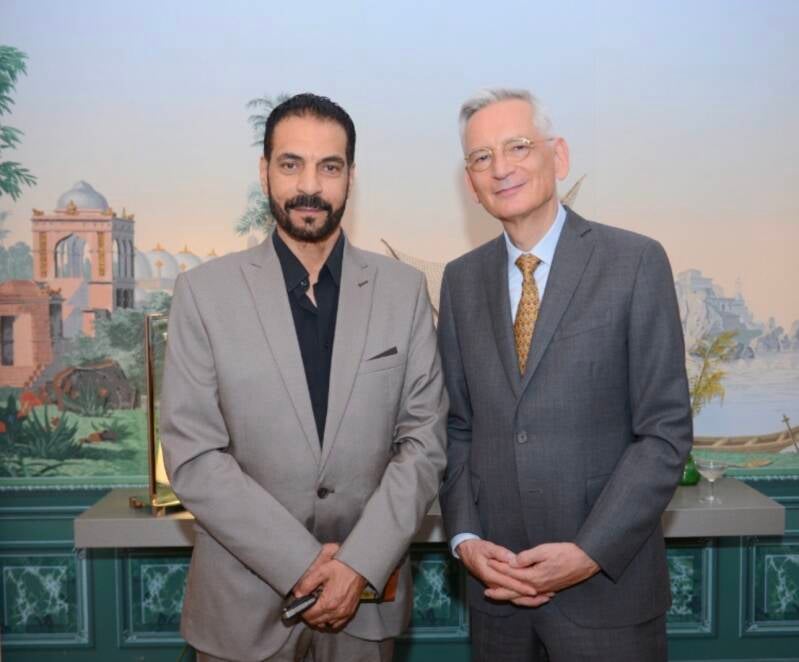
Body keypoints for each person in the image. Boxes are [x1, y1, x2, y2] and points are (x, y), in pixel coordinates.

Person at [161, 93, 447, 662]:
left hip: (365, 604)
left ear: (351, 177)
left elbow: (424, 442)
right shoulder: (203, 293)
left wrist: (358, 565)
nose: (309, 186)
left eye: (329, 167)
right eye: (291, 164)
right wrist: (302, 564)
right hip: (240, 613)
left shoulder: (403, 291)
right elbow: (193, 455)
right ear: (264, 171)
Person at [438, 88, 692, 661]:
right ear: (471, 183)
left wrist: (588, 552)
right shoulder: (460, 282)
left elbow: (664, 433)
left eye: (518, 147)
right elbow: (457, 427)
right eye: (481, 157)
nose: (500, 168)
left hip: (607, 598)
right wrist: (465, 538)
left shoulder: (635, 262)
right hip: (498, 597)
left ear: (559, 156)